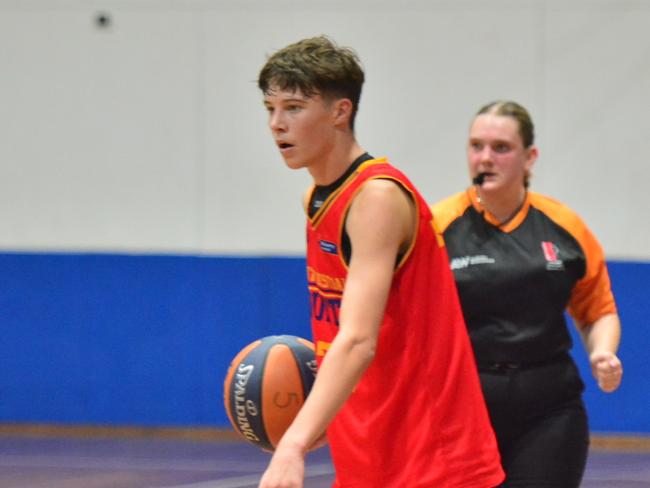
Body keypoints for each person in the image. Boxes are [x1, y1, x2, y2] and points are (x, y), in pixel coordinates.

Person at [256, 36, 504, 488]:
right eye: (270, 108)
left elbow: (357, 340)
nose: (277, 124)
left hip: (432, 456)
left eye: (293, 107)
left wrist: (293, 442)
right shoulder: (316, 198)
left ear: (340, 111)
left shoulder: (376, 198)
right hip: (367, 447)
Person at [431, 100, 623, 488]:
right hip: (461, 409)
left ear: (529, 157)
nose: (485, 158)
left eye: (500, 148)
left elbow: (597, 309)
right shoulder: (437, 226)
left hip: (548, 409)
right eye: (476, 146)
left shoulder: (563, 226)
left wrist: (602, 351)